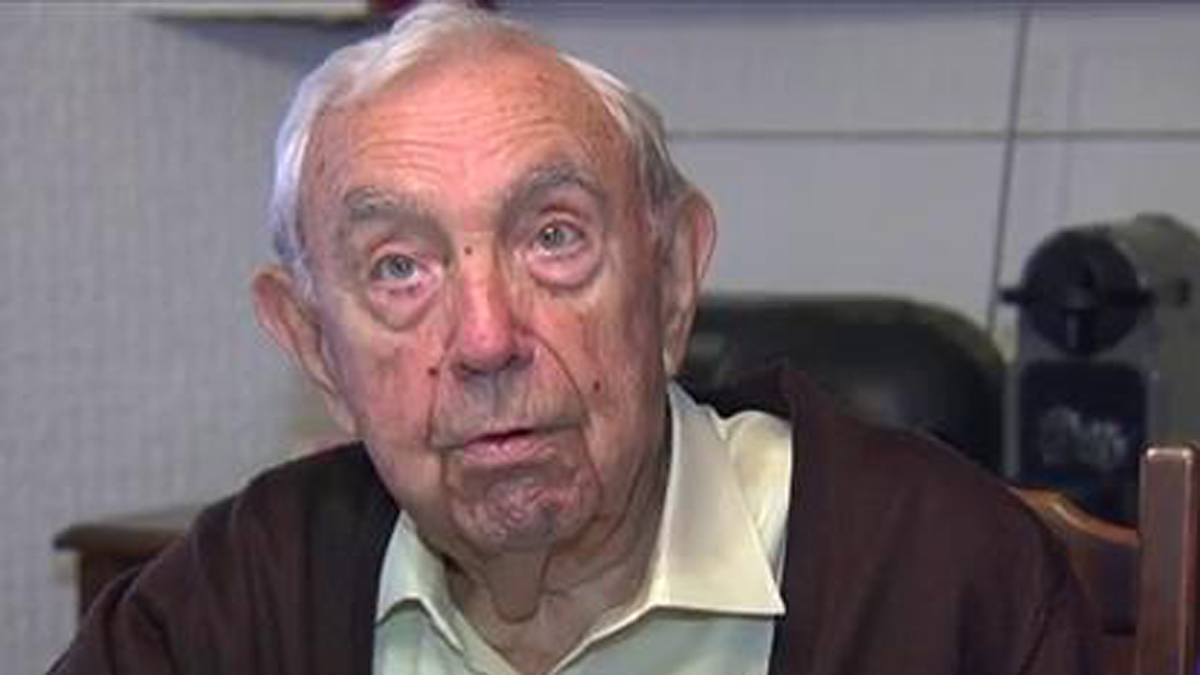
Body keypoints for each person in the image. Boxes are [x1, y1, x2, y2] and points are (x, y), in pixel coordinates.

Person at [49, 3, 1098, 674]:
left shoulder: (944, 575)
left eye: (553, 238)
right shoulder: (237, 599)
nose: (486, 338)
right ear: (318, 347)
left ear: (673, 279)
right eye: (399, 268)